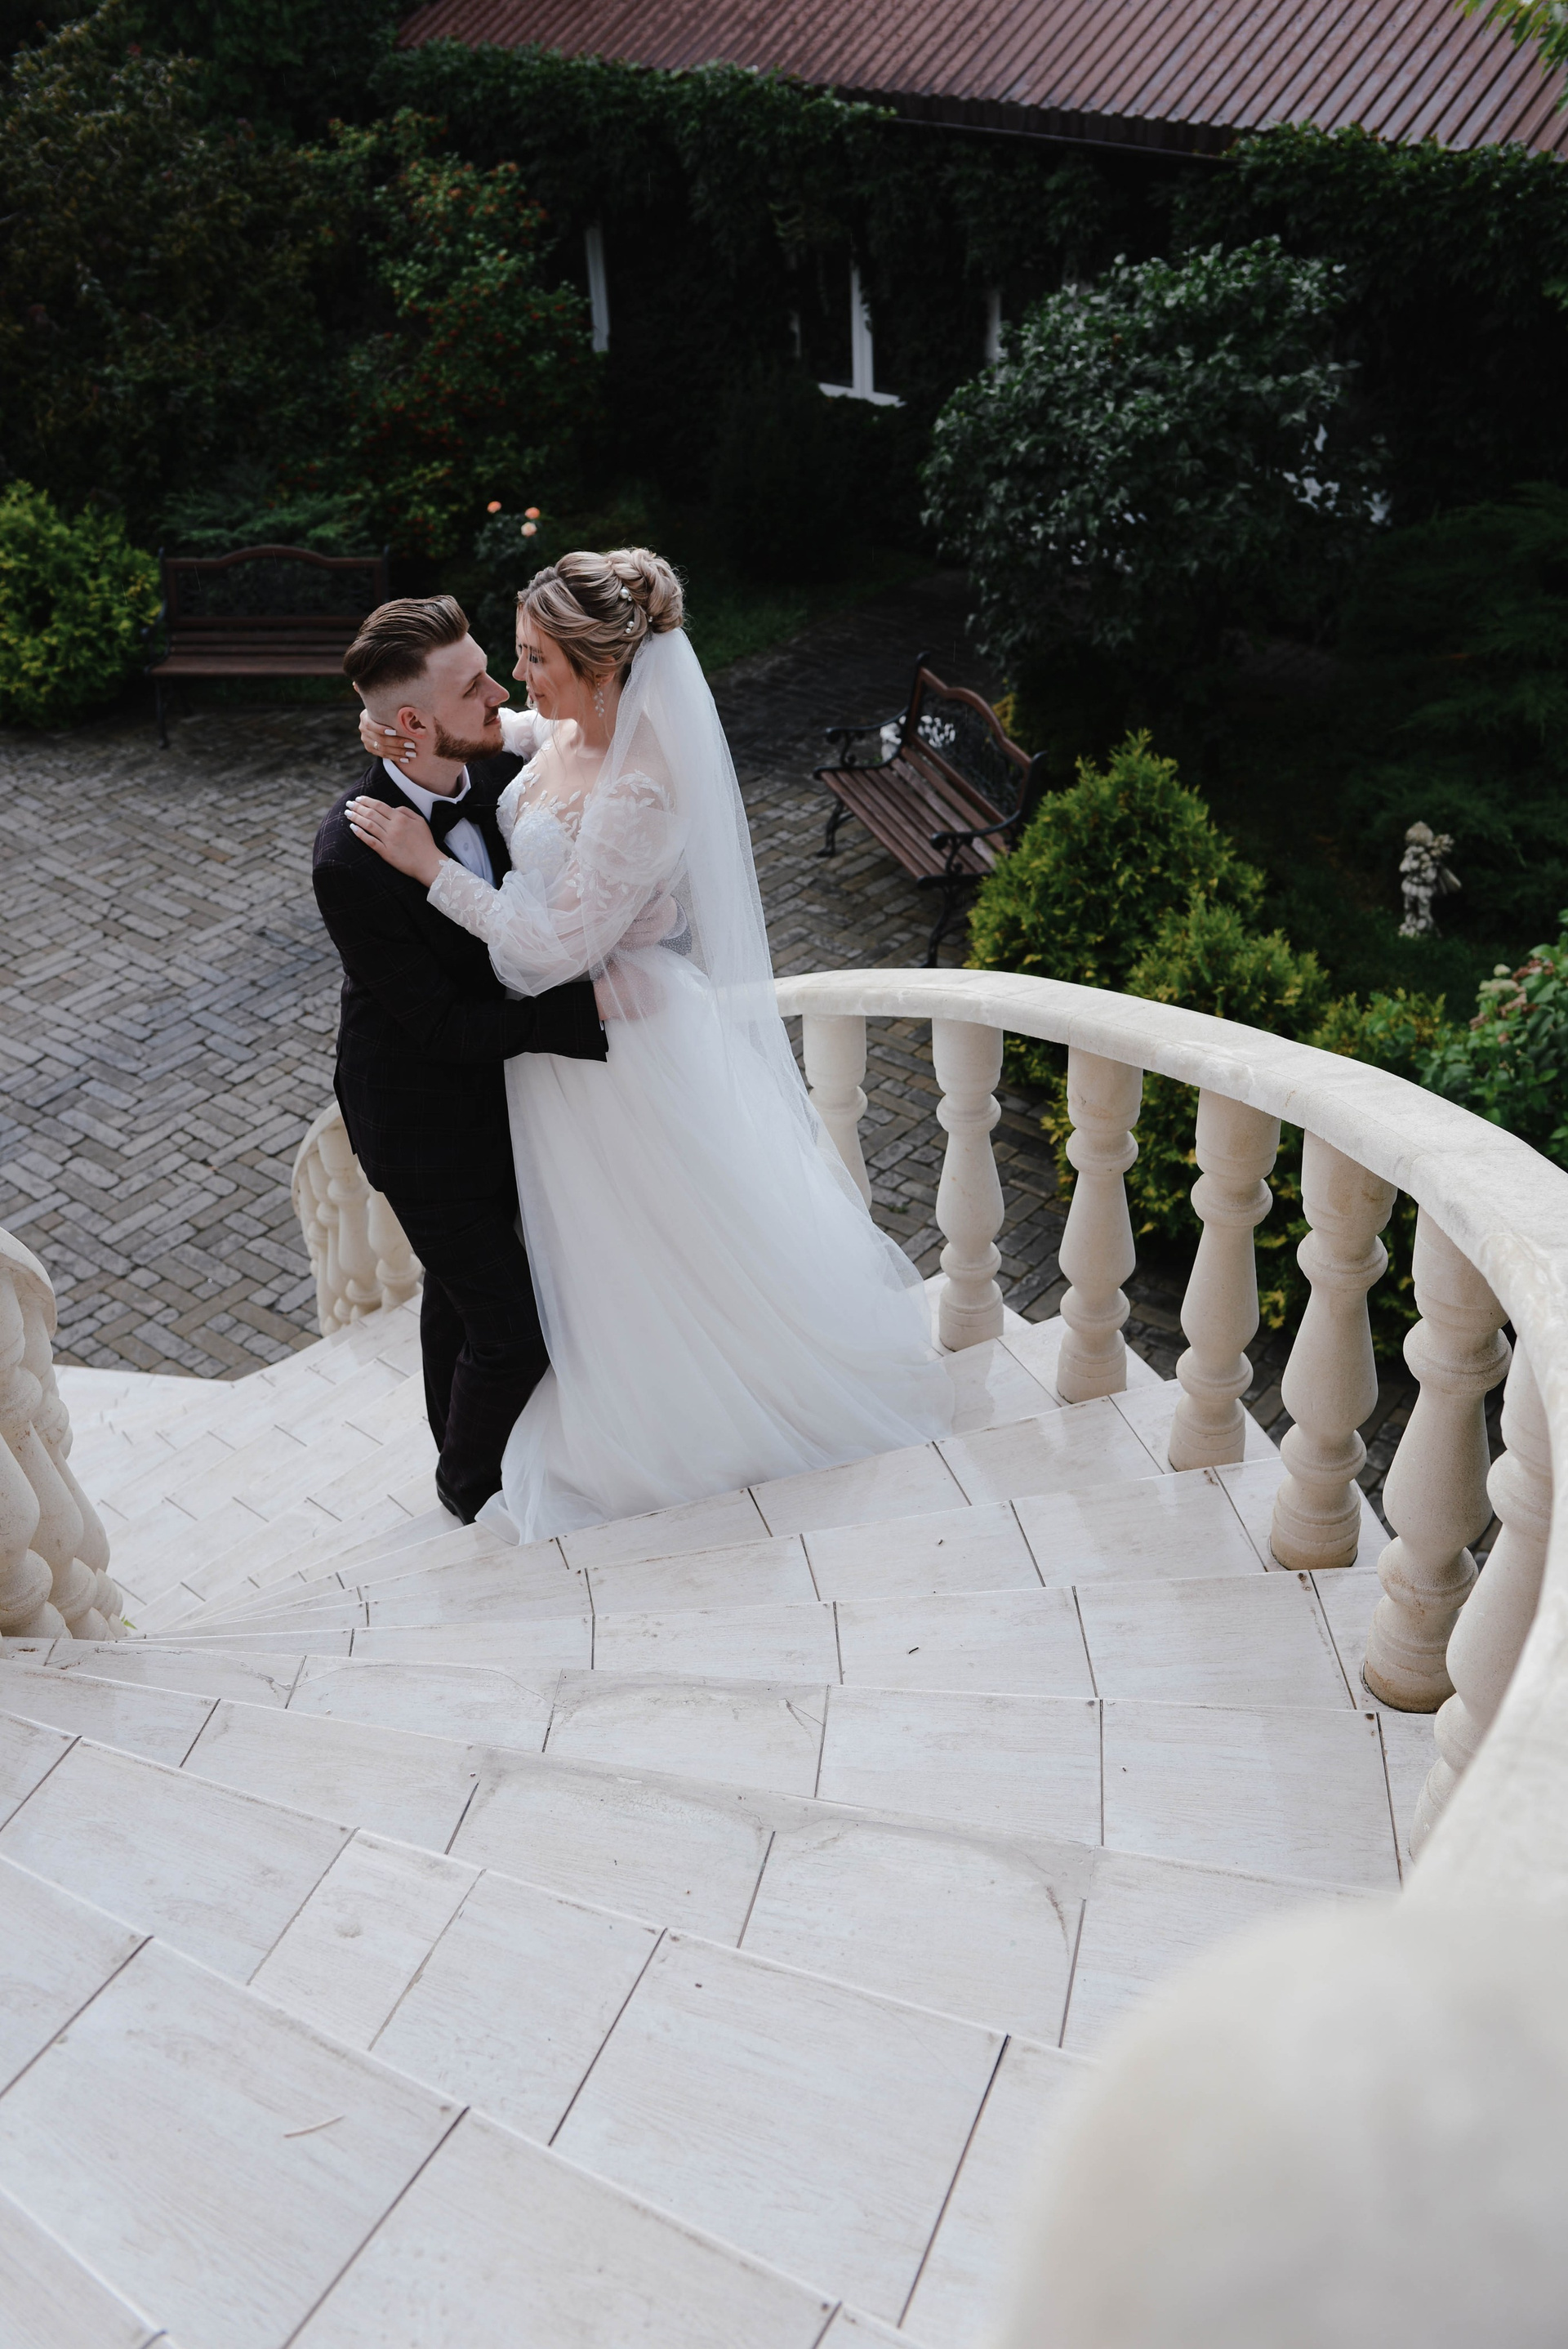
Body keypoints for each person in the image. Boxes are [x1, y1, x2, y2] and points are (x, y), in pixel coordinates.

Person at [347, 547, 952, 1543]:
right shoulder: (567, 728)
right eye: (515, 655)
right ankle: (495, 1444)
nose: (516, 680)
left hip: (615, 1060)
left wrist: (429, 867)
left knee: (639, 1249)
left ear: (599, 669)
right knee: (568, 1259)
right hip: (561, 1055)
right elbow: (501, 735)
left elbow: (550, 949)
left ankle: (666, 1420)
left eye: (534, 658)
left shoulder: (641, 786)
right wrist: (392, 729)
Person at [314, 595, 609, 1525]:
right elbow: (440, 1026)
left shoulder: (496, 769)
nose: (499, 695)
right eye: (474, 685)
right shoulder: (347, 857)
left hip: (504, 1097)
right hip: (419, 1124)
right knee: (515, 1330)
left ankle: (453, 1434)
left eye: (490, 671)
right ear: (411, 724)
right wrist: (578, 1017)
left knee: (458, 1294)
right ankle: (467, 1483)